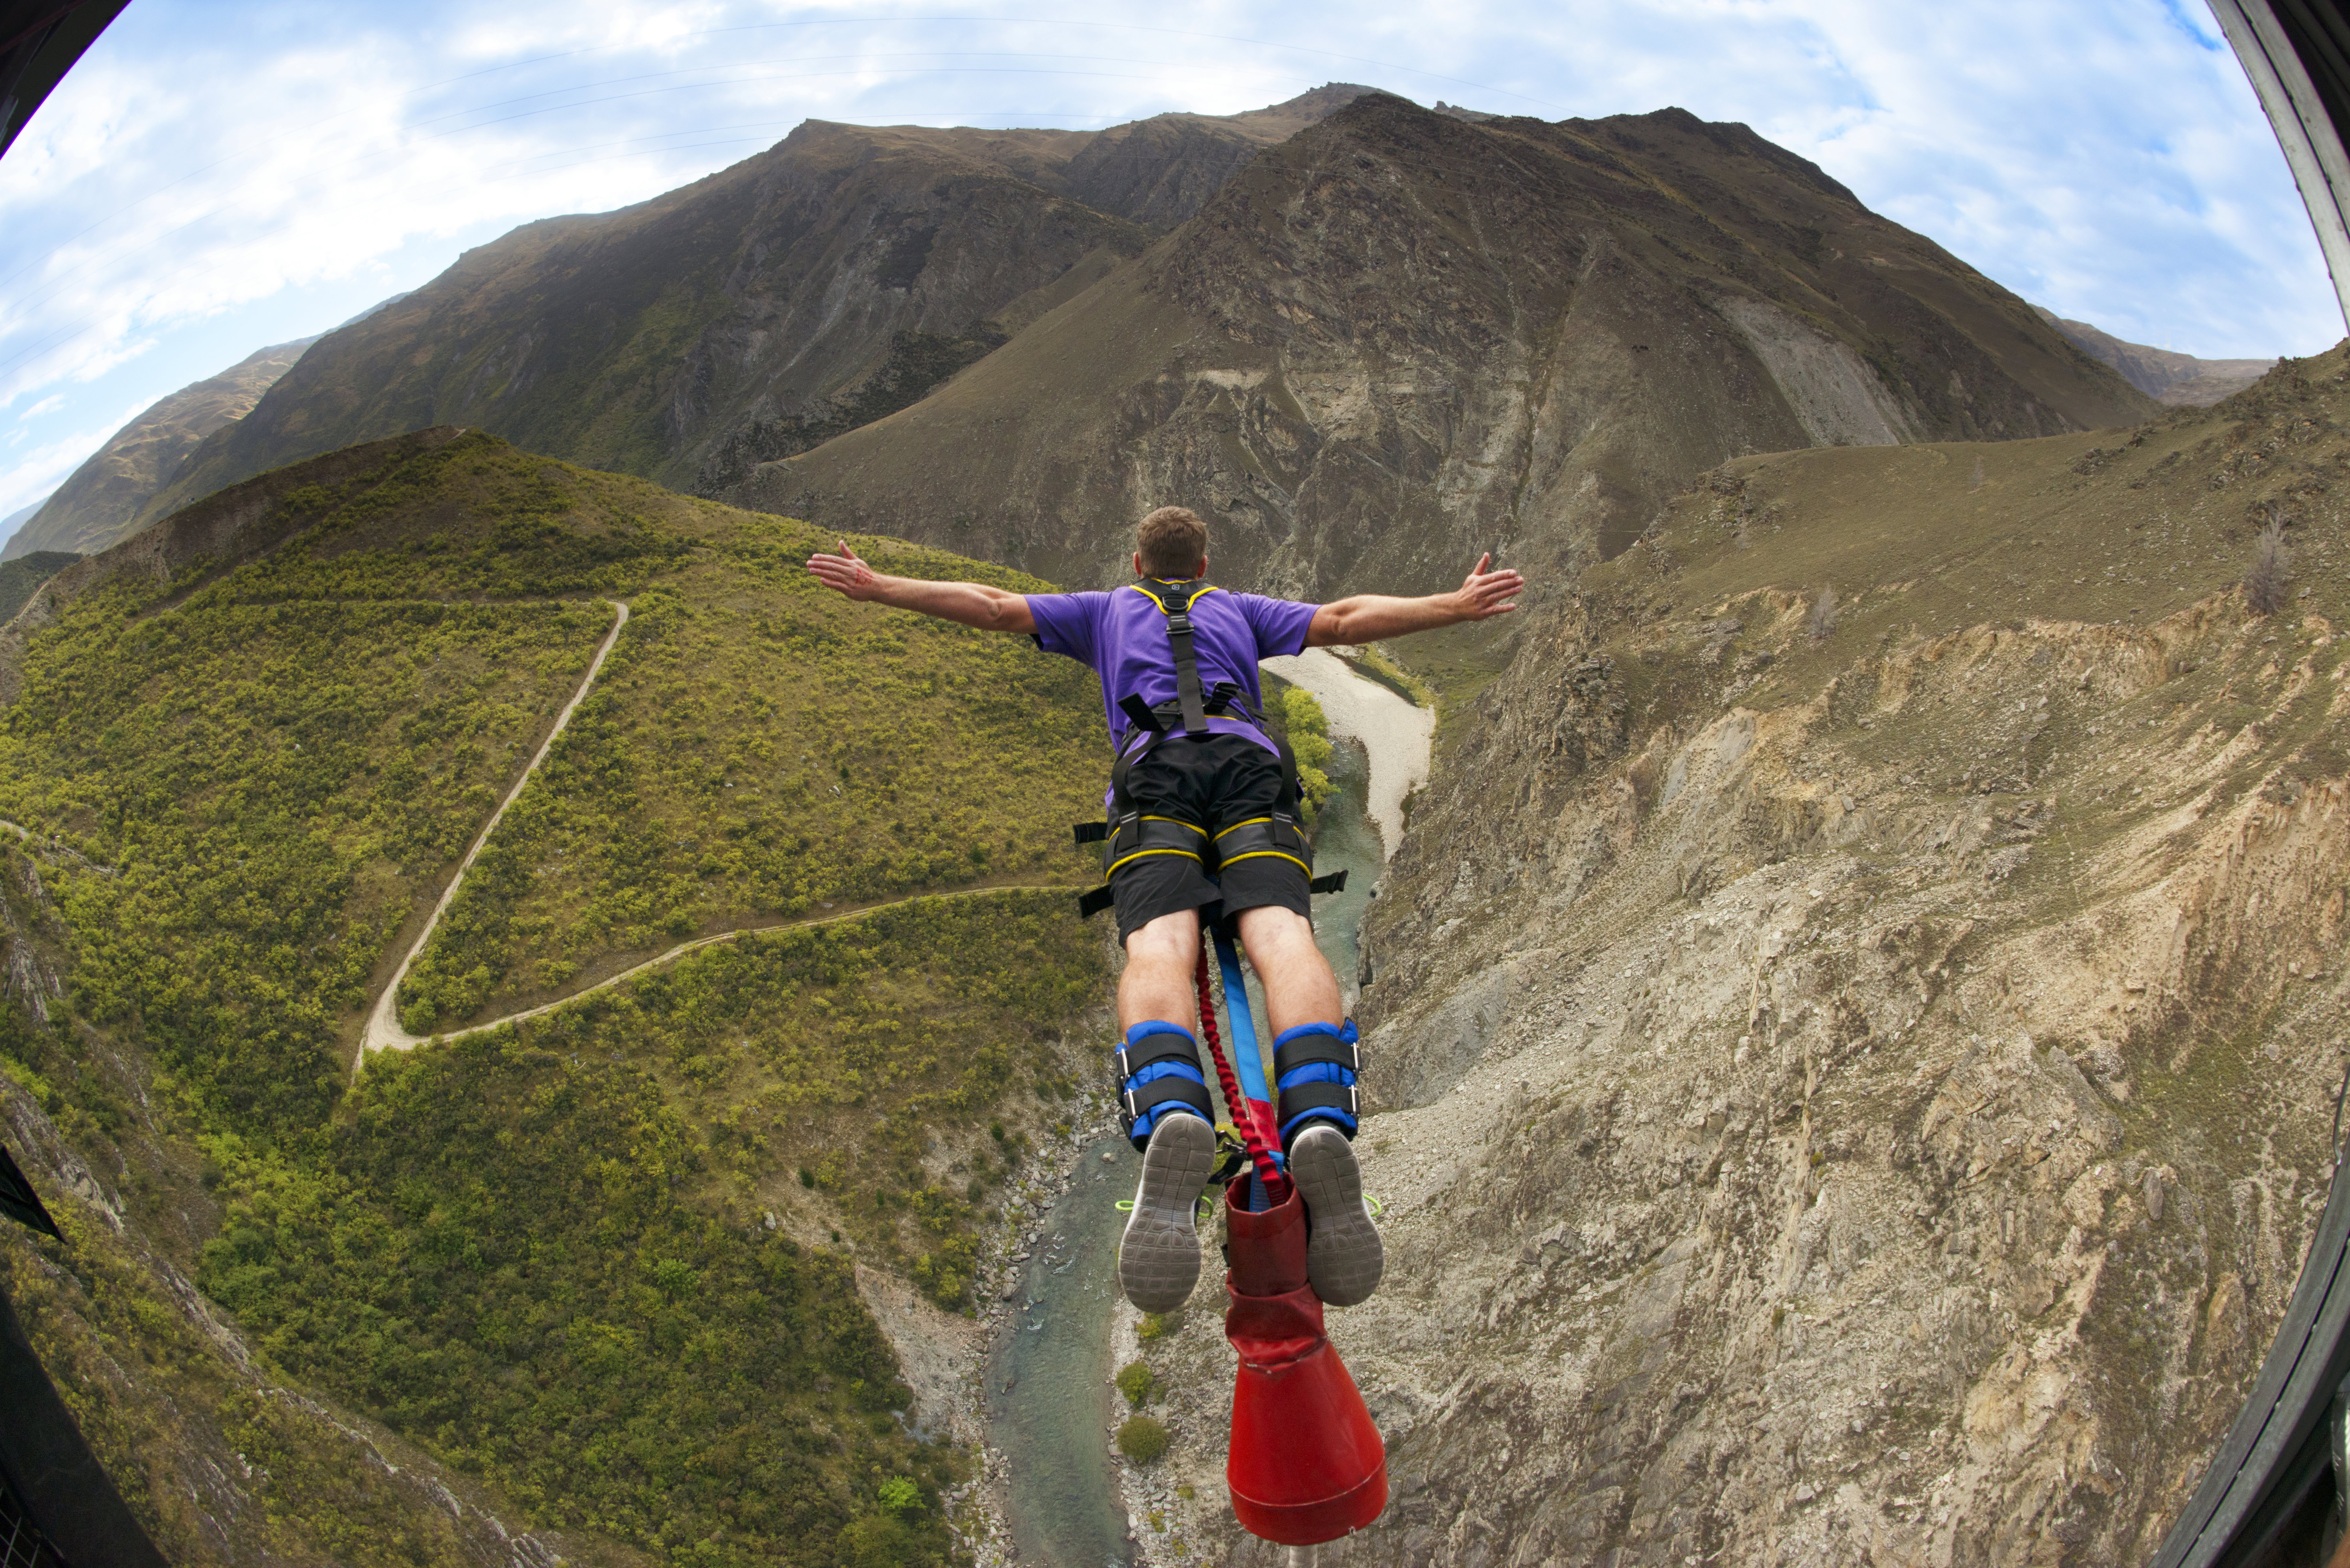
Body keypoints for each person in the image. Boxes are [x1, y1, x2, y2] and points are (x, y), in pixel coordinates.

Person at [807, 508, 1522, 1313]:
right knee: (1283, 935)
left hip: (1157, 787)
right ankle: (1316, 1109)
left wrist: (879, 587)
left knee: (1159, 944)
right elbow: (1347, 617)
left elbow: (991, 603)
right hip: (1250, 773)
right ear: (1204, 563)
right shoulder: (1239, 609)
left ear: (1138, 562)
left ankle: (1175, 1106)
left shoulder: (1105, 609)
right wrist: (1452, 605)